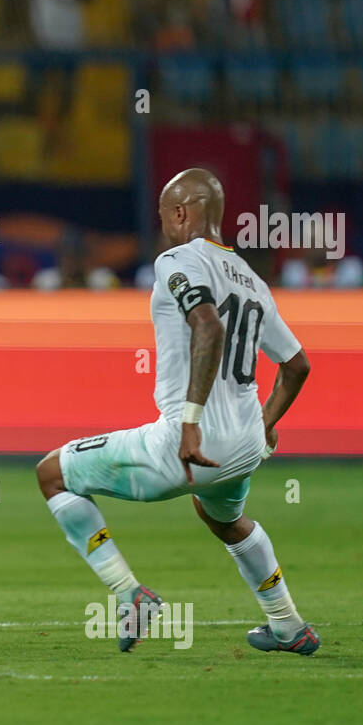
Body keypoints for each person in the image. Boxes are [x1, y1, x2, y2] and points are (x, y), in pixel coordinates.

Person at [35, 168, 319, 655]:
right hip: (246, 446)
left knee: (52, 474)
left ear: (181, 213)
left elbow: (207, 325)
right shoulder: (253, 280)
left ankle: (131, 595)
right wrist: (265, 424)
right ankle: (289, 626)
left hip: (190, 443)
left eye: (164, 214)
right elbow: (296, 365)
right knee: (226, 520)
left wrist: (190, 422)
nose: (162, 224)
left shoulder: (175, 261)